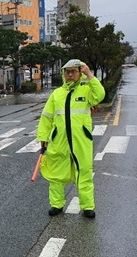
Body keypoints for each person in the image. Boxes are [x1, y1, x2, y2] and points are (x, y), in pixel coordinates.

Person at [36, 58, 105, 219]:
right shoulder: (57, 94)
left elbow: (100, 95)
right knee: (56, 174)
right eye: (67, 71)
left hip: (81, 140)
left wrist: (89, 75)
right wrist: (43, 137)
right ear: (63, 74)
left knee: (84, 172)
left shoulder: (86, 90)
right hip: (59, 141)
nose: (70, 74)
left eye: (74, 71)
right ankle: (56, 204)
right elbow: (46, 117)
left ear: (80, 73)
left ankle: (87, 206)